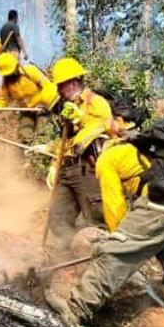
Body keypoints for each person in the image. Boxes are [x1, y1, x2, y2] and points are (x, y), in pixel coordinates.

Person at [45, 113, 164, 327]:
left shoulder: (108, 159)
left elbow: (114, 208)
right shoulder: (139, 150)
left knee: (118, 252)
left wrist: (114, 239)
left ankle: (76, 310)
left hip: (162, 200)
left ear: (92, 150)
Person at [43, 57, 114, 249]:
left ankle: (100, 261)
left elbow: (103, 128)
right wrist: (53, 164)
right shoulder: (66, 108)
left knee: (96, 218)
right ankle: (69, 256)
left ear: (73, 83)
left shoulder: (96, 102)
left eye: (61, 86)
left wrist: (79, 118)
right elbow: (66, 142)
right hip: (67, 169)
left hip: (87, 167)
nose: (58, 91)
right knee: (57, 217)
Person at [0, 52, 58, 141]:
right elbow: (3, 99)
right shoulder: (7, 83)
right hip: (26, 110)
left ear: (16, 66)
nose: (9, 75)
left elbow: (47, 86)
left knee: (44, 131)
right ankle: (28, 151)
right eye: (7, 74)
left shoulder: (30, 71)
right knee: (24, 134)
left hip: (42, 107)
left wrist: (45, 103)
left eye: (10, 72)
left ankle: (44, 150)